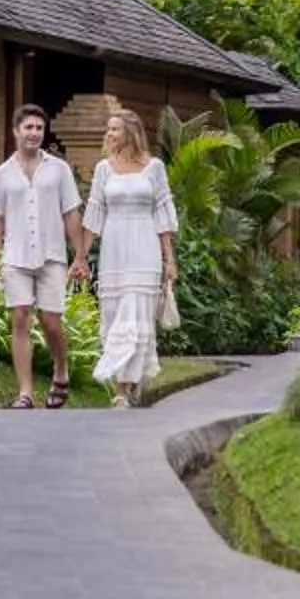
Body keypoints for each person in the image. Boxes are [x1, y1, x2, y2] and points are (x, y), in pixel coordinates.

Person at [0, 102, 85, 409]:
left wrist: (79, 256)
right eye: (29, 127)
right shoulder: (1, 175)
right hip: (15, 256)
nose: (34, 133)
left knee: (51, 322)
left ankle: (60, 370)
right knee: (21, 317)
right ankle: (25, 392)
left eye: (39, 128)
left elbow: (71, 213)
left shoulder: (59, 170)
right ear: (16, 131)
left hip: (52, 255)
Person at [81, 108, 178, 408]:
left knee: (136, 316)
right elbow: (94, 214)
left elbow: (162, 215)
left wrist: (169, 259)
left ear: (131, 133)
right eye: (108, 129)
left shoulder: (154, 168)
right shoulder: (103, 169)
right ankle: (129, 379)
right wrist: (81, 257)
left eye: (115, 129)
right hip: (114, 248)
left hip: (144, 247)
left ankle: (122, 389)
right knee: (114, 316)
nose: (109, 134)